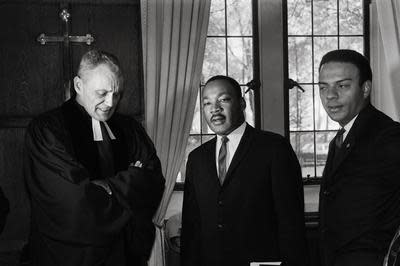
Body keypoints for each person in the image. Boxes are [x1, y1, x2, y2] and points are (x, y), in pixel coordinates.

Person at [24, 49, 165, 266]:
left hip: (126, 254)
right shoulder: (47, 130)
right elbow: (74, 201)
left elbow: (153, 181)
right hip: (72, 257)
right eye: (102, 93)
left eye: (116, 94)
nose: (110, 103)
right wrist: (130, 179)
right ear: (79, 86)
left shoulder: (129, 128)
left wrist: (105, 187)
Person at [181, 75, 308, 266]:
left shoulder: (274, 149)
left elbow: (291, 222)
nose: (215, 109)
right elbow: (192, 225)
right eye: (207, 103)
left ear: (241, 104)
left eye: (223, 100)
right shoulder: (197, 158)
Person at [318, 49, 400, 266]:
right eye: (323, 87)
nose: (330, 96)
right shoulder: (341, 138)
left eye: (342, 86)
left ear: (365, 89)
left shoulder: (389, 136)